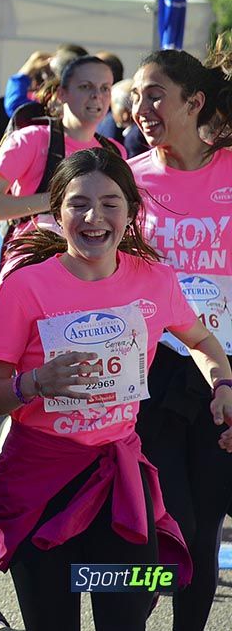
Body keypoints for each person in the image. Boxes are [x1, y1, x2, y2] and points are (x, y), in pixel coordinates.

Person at [0, 147, 232, 631]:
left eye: (110, 203)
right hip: (41, 481)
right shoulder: (25, 288)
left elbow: (200, 339)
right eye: (79, 204)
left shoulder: (155, 280)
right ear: (56, 212)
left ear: (131, 212)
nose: (94, 217)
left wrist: (223, 382)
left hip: (119, 481)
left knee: (126, 617)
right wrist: (35, 383)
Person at [129, 46, 232, 631]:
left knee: (206, 523)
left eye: (155, 95)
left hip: (223, 371)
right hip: (153, 370)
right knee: (167, 523)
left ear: (194, 103)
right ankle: (130, 616)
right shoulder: (129, 177)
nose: (141, 108)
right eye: (136, 96)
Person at [0, 55, 123, 270]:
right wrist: (58, 200)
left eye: (105, 88)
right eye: (85, 86)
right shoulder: (31, 139)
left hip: (91, 266)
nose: (96, 96)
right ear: (62, 93)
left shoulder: (115, 151)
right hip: (33, 262)